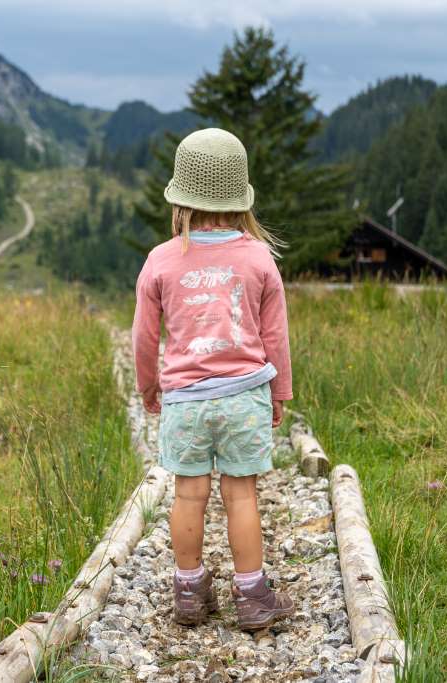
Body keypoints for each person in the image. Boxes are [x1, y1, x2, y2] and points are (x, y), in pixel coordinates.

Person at [132, 127, 295, 632]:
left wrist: (148, 387)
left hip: (185, 401)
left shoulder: (161, 260)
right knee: (241, 495)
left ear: (181, 198)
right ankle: (252, 598)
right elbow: (276, 335)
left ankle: (189, 592)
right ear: (239, 197)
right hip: (244, 394)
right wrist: (279, 392)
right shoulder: (257, 257)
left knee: (188, 495)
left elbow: (143, 335)